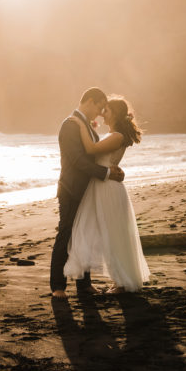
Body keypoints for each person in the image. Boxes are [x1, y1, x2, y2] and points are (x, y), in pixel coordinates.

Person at [63, 96, 150, 293]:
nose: (103, 113)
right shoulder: (113, 134)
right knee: (97, 232)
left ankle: (121, 282)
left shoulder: (117, 136)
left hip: (108, 189)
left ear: (116, 114)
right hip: (101, 186)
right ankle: (114, 281)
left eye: (106, 110)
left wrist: (81, 124)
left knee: (113, 236)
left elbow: (91, 149)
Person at [50, 88, 125, 299]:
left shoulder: (85, 126)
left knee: (85, 236)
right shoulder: (70, 124)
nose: (100, 113)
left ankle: (84, 285)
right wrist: (107, 173)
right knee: (65, 234)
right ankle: (58, 287)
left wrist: (111, 167)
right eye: (99, 107)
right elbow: (77, 161)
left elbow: (94, 153)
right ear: (90, 102)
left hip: (88, 190)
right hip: (71, 189)